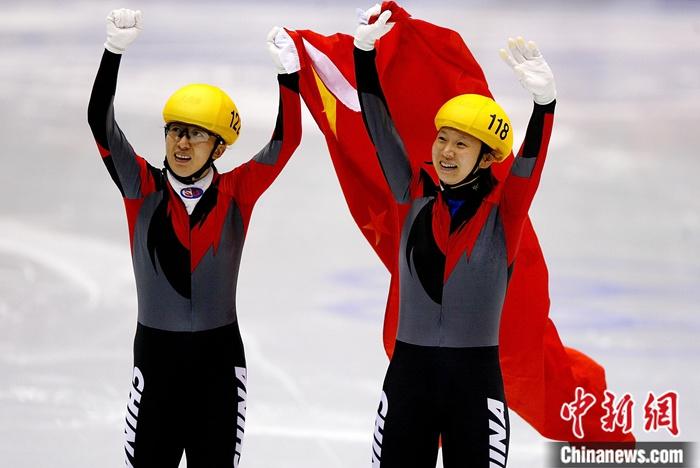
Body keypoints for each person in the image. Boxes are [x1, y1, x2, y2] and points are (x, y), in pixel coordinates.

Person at [87, 9, 301, 467]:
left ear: (219, 147)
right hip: (156, 361)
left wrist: (289, 77)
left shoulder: (237, 192)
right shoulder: (141, 187)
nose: (182, 144)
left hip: (218, 365)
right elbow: (100, 124)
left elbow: (286, 142)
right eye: (175, 131)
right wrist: (112, 52)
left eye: (196, 135)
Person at [352, 5, 557, 467]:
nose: (446, 151)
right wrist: (363, 56)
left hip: (475, 386)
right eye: (442, 138)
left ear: (486, 158)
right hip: (409, 381)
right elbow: (379, 128)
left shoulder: (504, 215)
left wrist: (544, 105)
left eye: (461, 143)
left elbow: (531, 163)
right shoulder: (410, 195)